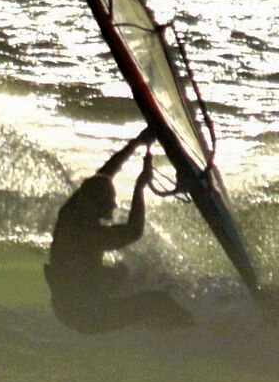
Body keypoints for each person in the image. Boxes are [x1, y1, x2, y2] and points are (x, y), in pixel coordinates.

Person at [45, 130, 192, 334]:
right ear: (96, 205)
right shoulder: (89, 236)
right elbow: (134, 231)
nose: (114, 205)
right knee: (159, 300)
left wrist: (135, 144)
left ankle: (155, 321)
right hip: (89, 317)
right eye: (109, 201)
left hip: (71, 302)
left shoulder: (73, 209)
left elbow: (104, 173)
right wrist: (139, 188)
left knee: (122, 275)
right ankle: (195, 328)